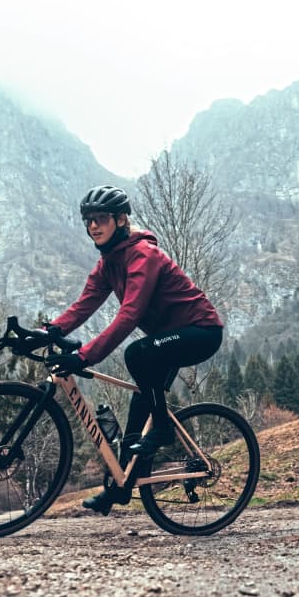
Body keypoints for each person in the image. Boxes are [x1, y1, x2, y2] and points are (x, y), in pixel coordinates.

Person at [43, 185, 224, 515]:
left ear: (121, 220)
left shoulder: (143, 255)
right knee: (139, 411)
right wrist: (45, 333)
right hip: (168, 339)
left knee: (136, 353)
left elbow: (130, 314)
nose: (93, 226)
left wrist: (84, 356)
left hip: (201, 331)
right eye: (88, 220)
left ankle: (165, 430)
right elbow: (83, 306)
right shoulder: (109, 263)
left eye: (100, 219)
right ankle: (120, 489)